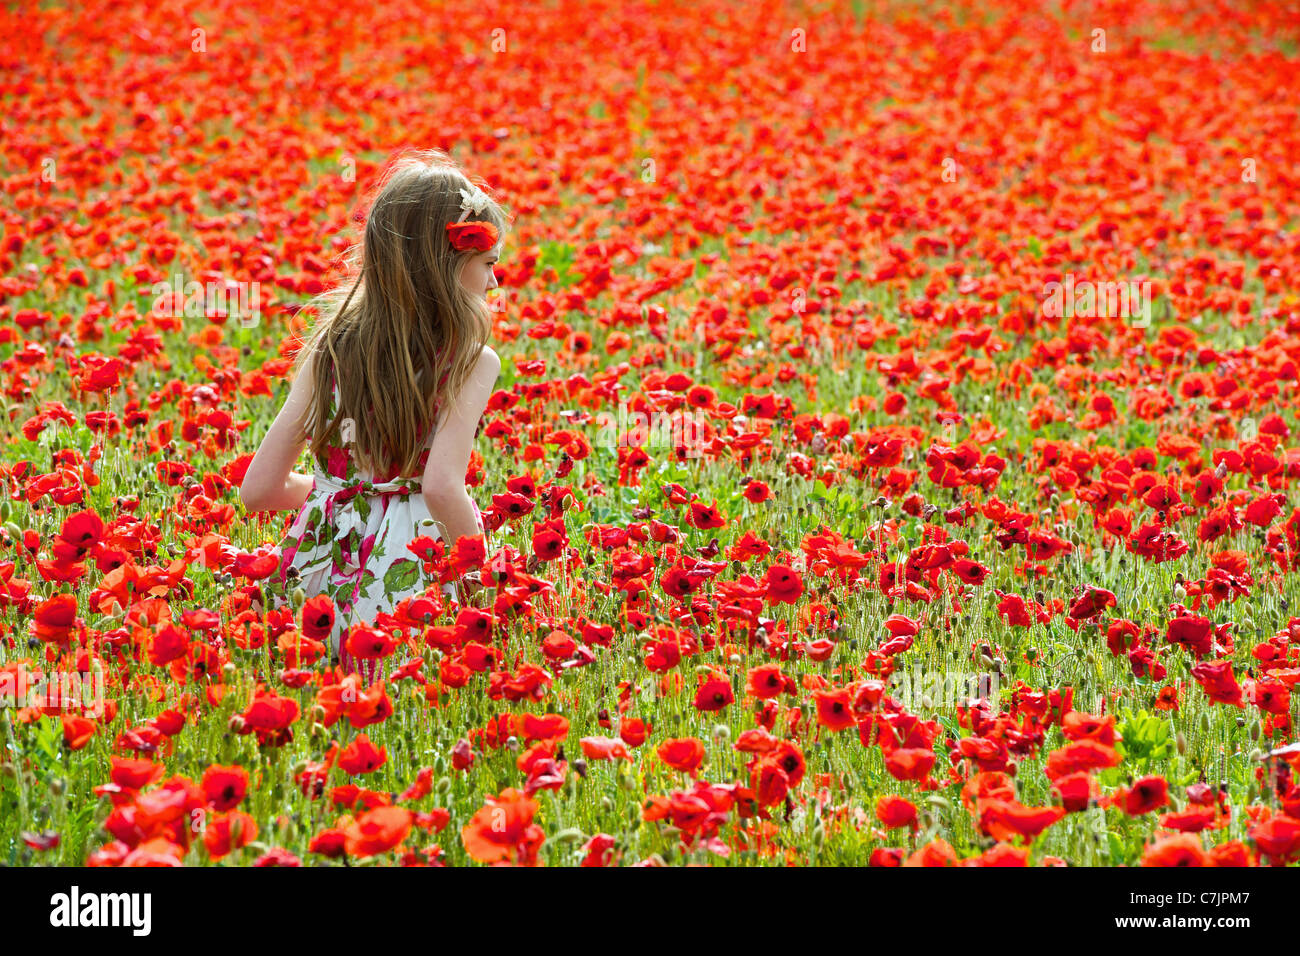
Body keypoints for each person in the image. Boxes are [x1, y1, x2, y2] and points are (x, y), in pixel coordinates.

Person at [238, 148, 509, 682]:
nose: (495, 284)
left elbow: (258, 490)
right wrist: (485, 589)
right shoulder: (470, 362)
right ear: (449, 263)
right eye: (489, 265)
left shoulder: (328, 346)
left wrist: (335, 498)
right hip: (407, 577)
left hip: (314, 577)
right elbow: (441, 489)